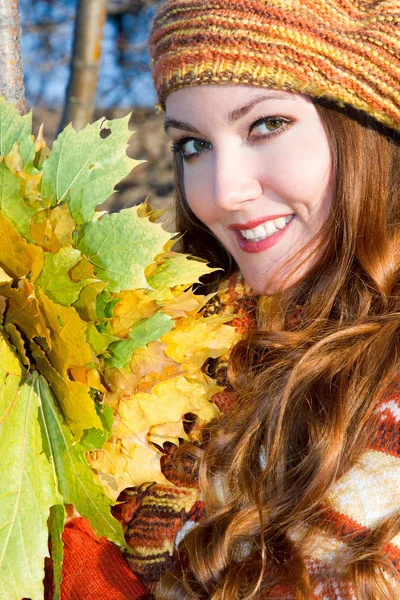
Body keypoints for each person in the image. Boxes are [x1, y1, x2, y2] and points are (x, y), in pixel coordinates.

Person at [48, 0, 400, 598]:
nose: (222, 192)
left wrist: (81, 567)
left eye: (265, 125)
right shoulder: (163, 347)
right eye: (193, 145)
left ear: (365, 126)